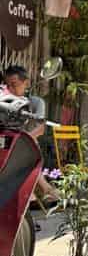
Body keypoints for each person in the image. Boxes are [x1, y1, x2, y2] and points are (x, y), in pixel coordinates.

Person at [0, 65, 58, 206]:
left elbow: (40, 128)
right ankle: (45, 190)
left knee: (24, 154)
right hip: (5, 145)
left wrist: (22, 140)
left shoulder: (35, 102)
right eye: (8, 85)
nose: (11, 89)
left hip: (26, 145)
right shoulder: (3, 104)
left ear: (26, 83)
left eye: (14, 85)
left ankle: (43, 191)